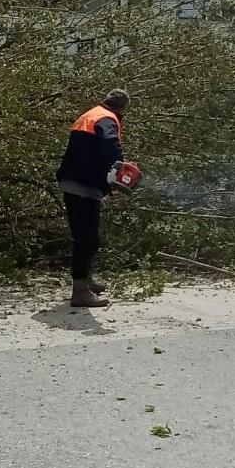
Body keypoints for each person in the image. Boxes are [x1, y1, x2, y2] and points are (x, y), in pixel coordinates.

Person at [55, 89, 135, 308]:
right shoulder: (108, 120)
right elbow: (110, 146)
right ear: (122, 109)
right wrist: (118, 176)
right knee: (88, 239)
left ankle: (86, 280)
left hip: (71, 180)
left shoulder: (90, 114)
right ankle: (80, 292)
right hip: (84, 185)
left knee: (82, 236)